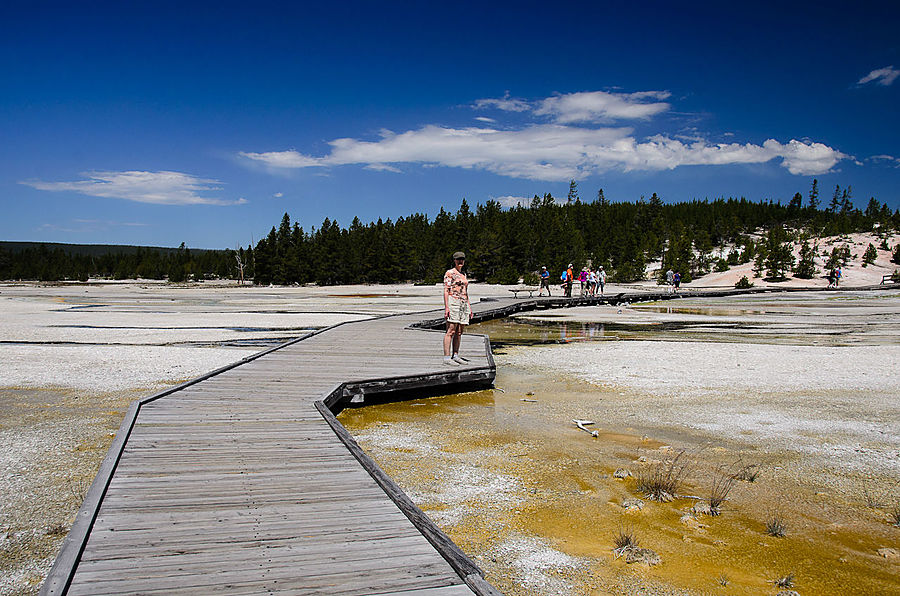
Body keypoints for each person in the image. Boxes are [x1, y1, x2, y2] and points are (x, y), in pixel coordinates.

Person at [443, 251, 471, 365]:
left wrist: (469, 306)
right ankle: (446, 357)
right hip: (453, 301)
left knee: (459, 331)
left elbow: (466, 291)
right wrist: (446, 307)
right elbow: (446, 290)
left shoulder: (464, 274)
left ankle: (456, 355)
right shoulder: (450, 273)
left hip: (463, 303)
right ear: (454, 260)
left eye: (462, 259)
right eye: (458, 259)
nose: (460, 261)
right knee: (451, 330)